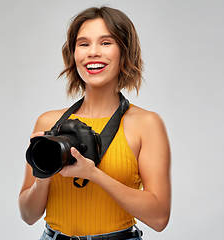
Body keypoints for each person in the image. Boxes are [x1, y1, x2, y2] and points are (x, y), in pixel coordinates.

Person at [19, 6, 171, 240]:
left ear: (124, 52)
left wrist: (94, 174)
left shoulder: (146, 124)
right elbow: (28, 215)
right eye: (83, 44)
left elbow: (159, 218)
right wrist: (44, 176)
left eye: (106, 42)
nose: (93, 52)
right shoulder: (49, 122)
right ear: (73, 54)